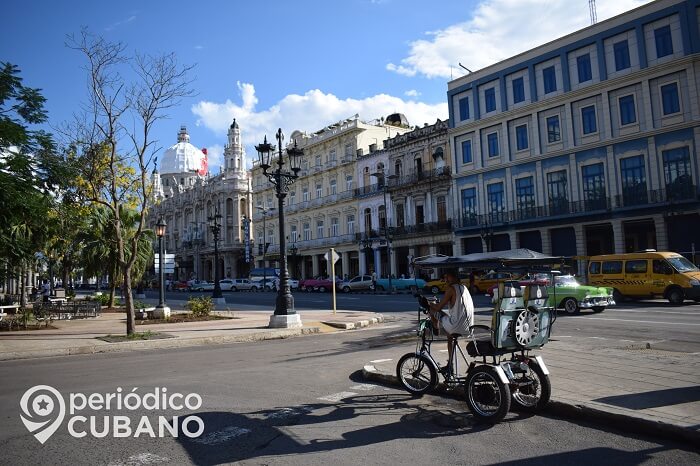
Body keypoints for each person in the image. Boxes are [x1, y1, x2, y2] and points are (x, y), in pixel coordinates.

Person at [428, 269, 474, 376]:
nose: (445, 280)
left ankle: (436, 328)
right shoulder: (464, 288)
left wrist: (429, 304)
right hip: (468, 326)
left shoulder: (451, 288)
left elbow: (438, 307)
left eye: (446, 277)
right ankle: (450, 364)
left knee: (432, 311)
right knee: (450, 337)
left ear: (452, 277)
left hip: (456, 326)